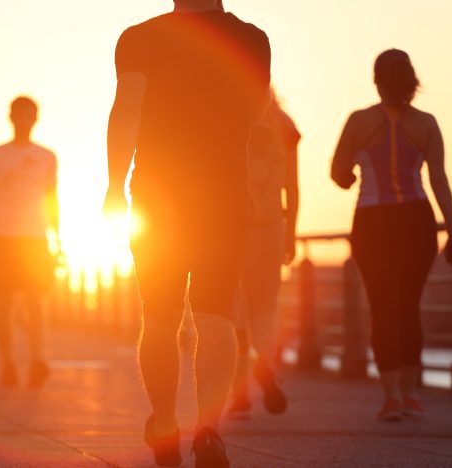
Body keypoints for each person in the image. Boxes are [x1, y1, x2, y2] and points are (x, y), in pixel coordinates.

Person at [103, 0, 271, 466]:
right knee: (216, 314)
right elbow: (256, 110)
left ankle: (163, 422)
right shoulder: (252, 39)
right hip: (224, 192)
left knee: (158, 315)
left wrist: (114, 186)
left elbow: (126, 110)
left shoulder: (140, 38)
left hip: (159, 195)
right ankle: (208, 431)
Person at [331, 49, 452, 422]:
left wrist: (349, 176)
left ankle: (391, 397)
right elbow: (438, 181)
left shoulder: (358, 121)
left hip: (372, 222)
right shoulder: (427, 123)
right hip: (416, 222)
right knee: (409, 308)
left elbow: (339, 171)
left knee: (382, 307)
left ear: (376, 80)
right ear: (411, 80)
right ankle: (408, 393)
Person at [0, 96, 60, 388]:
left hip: (35, 238)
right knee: (3, 303)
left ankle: (37, 360)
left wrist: (58, 237)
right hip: (1, 236)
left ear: (36, 118)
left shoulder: (47, 157)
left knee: (36, 301)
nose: (24, 120)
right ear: (10, 117)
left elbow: (52, 199)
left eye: (29, 115)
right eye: (19, 114)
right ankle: (8, 362)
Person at [230, 93, 300, 417]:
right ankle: (266, 363)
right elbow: (293, 186)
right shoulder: (284, 124)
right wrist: (291, 233)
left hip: (235, 224)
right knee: (267, 304)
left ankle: (240, 393)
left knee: (235, 307)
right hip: (273, 225)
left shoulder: (227, 116)